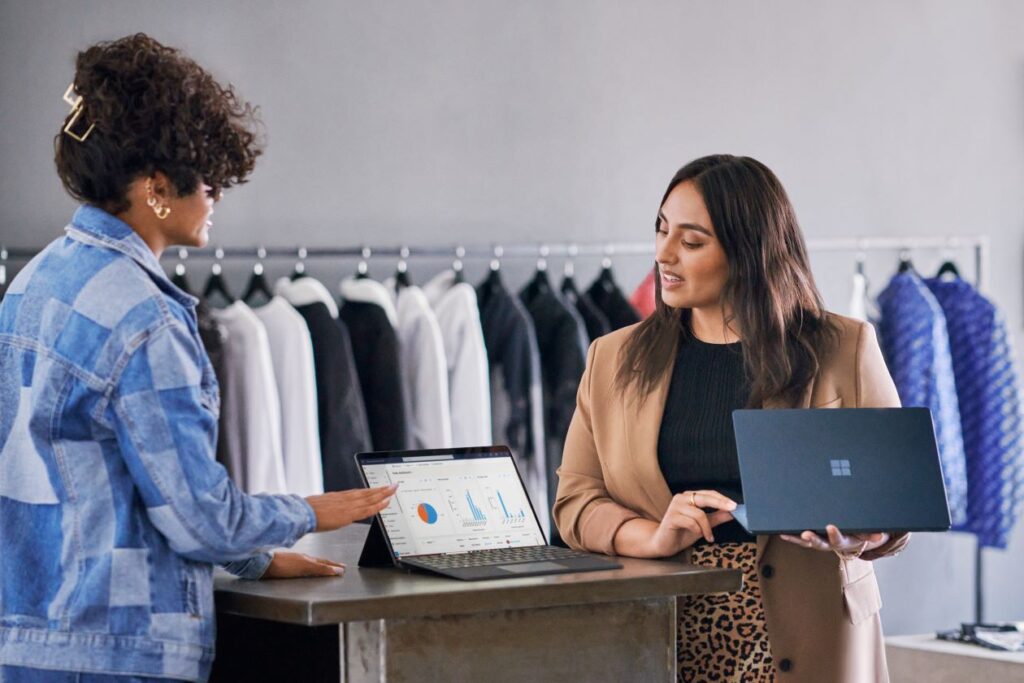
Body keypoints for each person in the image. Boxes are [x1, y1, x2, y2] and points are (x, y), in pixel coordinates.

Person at [0, 34, 396, 683]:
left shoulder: (32, 286)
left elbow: (114, 483)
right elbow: (199, 517)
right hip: (117, 654)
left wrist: (253, 559)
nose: (216, 196)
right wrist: (310, 511)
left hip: (29, 645)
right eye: (208, 178)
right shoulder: (145, 318)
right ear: (157, 186)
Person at [553, 155, 908, 683]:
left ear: (749, 253)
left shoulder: (843, 347)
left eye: (692, 241)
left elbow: (898, 497)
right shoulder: (613, 357)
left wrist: (862, 538)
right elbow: (575, 501)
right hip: (661, 629)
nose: (664, 254)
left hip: (811, 631)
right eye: (661, 230)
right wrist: (650, 537)